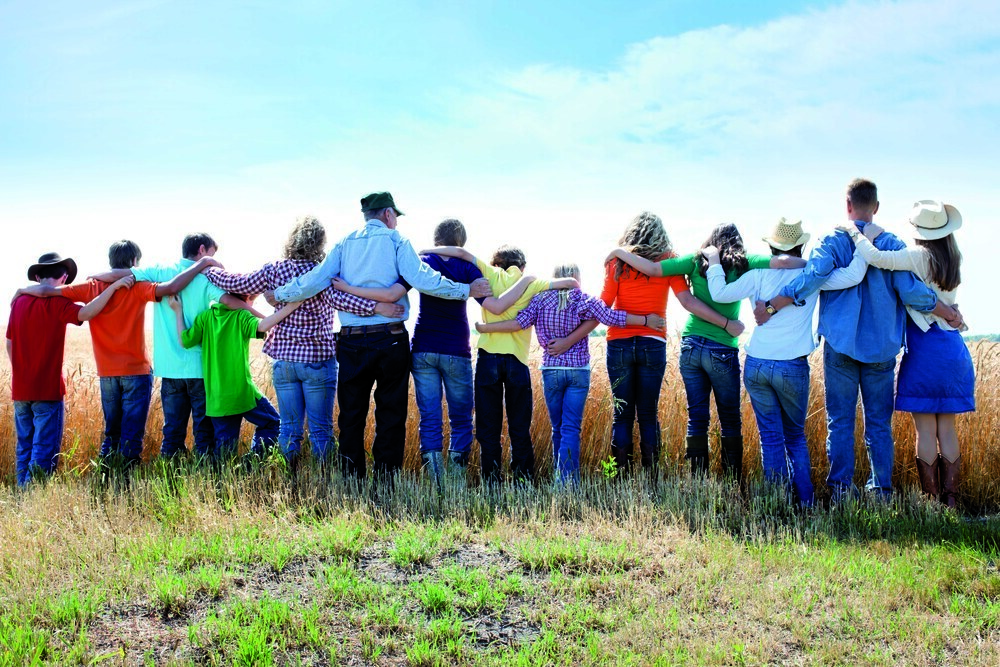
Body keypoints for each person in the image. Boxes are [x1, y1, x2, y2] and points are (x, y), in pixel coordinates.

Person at [758, 179, 963, 500]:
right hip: (882, 348)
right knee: (878, 425)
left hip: (839, 345)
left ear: (847, 204)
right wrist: (947, 311)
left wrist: (775, 303)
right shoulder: (892, 243)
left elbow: (812, 277)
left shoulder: (832, 239)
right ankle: (881, 491)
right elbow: (911, 291)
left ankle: (840, 489)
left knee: (839, 422)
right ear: (876, 207)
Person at [269, 192, 492, 482]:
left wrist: (281, 295)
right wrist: (465, 291)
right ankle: (385, 479)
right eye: (395, 216)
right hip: (391, 339)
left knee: (351, 413)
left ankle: (352, 478)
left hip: (351, 341)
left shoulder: (344, 243)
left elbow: (313, 282)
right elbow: (424, 278)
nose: (396, 222)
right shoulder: (397, 242)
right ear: (388, 214)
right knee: (391, 413)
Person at [337, 218, 534, 483]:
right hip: (456, 349)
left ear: (435, 239)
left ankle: (435, 479)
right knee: (461, 417)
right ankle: (455, 477)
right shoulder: (466, 266)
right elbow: (493, 304)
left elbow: (393, 292)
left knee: (429, 416)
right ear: (461, 242)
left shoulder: (422, 263)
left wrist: (357, 293)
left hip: (423, 348)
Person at [607, 223, 803, 484]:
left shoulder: (693, 260)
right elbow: (782, 262)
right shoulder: (745, 262)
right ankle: (733, 481)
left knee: (696, 416)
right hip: (722, 347)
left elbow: (654, 270)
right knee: (730, 418)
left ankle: (698, 481)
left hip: (690, 346)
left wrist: (620, 252)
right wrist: (812, 264)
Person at [202, 217, 401, 467]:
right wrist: (377, 307)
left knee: (289, 430)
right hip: (317, 361)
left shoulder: (274, 270)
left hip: (285, 362)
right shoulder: (322, 273)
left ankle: (290, 482)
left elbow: (236, 282)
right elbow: (344, 301)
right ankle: (323, 481)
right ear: (319, 244)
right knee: (320, 431)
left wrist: (207, 268)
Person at [13, 240, 221, 472]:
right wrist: (202, 264)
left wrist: (22, 290)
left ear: (111, 261)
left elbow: (48, 291)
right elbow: (171, 287)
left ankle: (107, 474)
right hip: (136, 371)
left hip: (107, 374)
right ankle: (126, 479)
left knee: (111, 433)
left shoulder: (91, 287)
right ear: (134, 262)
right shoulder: (138, 286)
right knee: (131, 434)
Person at [703, 219, 867, 506]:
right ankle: (805, 504)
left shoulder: (758, 274)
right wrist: (863, 242)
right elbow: (854, 275)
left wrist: (715, 261)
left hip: (757, 364)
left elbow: (719, 293)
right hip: (792, 366)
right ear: (800, 245)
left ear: (771, 245)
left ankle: (777, 504)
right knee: (794, 437)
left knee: (770, 437)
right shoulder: (812, 274)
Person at [474, 263, 665, 484]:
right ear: (575, 277)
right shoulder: (582, 298)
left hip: (551, 371)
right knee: (571, 428)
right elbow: (612, 317)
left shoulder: (540, 299)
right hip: (577, 372)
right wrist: (645, 320)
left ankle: (560, 478)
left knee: (558, 428)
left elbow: (518, 323)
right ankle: (566, 483)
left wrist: (485, 328)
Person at [836, 200, 973, 506]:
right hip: (953, 348)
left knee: (925, 430)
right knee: (947, 430)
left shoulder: (919, 256)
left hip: (925, 349)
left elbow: (877, 257)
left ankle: (931, 503)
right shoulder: (953, 257)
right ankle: (951, 502)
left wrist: (859, 233)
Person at [599, 212, 747, 475]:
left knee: (621, 414)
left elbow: (603, 307)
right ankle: (652, 478)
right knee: (647, 413)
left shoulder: (617, 263)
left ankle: (616, 478)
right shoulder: (668, 260)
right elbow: (687, 301)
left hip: (618, 343)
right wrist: (725, 323)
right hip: (653, 343)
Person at [424, 243, 578, 484]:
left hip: (488, 358)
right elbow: (569, 283)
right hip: (517, 359)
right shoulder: (531, 283)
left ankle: (491, 482)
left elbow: (462, 253)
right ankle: (523, 481)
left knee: (488, 428)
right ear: (522, 265)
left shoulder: (488, 272)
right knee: (519, 426)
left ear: (496, 263)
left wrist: (428, 250)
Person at [91, 233, 252, 460]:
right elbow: (229, 301)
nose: (215, 262)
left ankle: (170, 475)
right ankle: (203, 477)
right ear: (203, 250)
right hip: (199, 368)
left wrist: (97, 276)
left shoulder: (161, 271)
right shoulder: (207, 278)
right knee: (203, 432)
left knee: (173, 432)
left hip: (169, 369)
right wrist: (259, 317)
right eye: (212, 256)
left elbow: (124, 273)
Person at [7, 253, 132, 486]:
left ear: (36, 276)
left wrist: (22, 372)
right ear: (64, 278)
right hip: (47, 389)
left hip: (20, 389)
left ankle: (21, 491)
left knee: (24, 444)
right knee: (43, 448)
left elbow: (9, 343)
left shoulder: (19, 302)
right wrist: (113, 288)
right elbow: (86, 312)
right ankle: (32, 497)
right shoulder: (58, 302)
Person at [170, 294, 302, 460]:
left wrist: (177, 310)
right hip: (243, 394)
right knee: (273, 422)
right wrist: (291, 306)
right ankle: (252, 460)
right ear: (244, 299)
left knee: (225, 455)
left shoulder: (206, 317)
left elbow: (185, 341)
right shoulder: (241, 315)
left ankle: (221, 479)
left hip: (218, 400)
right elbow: (262, 325)